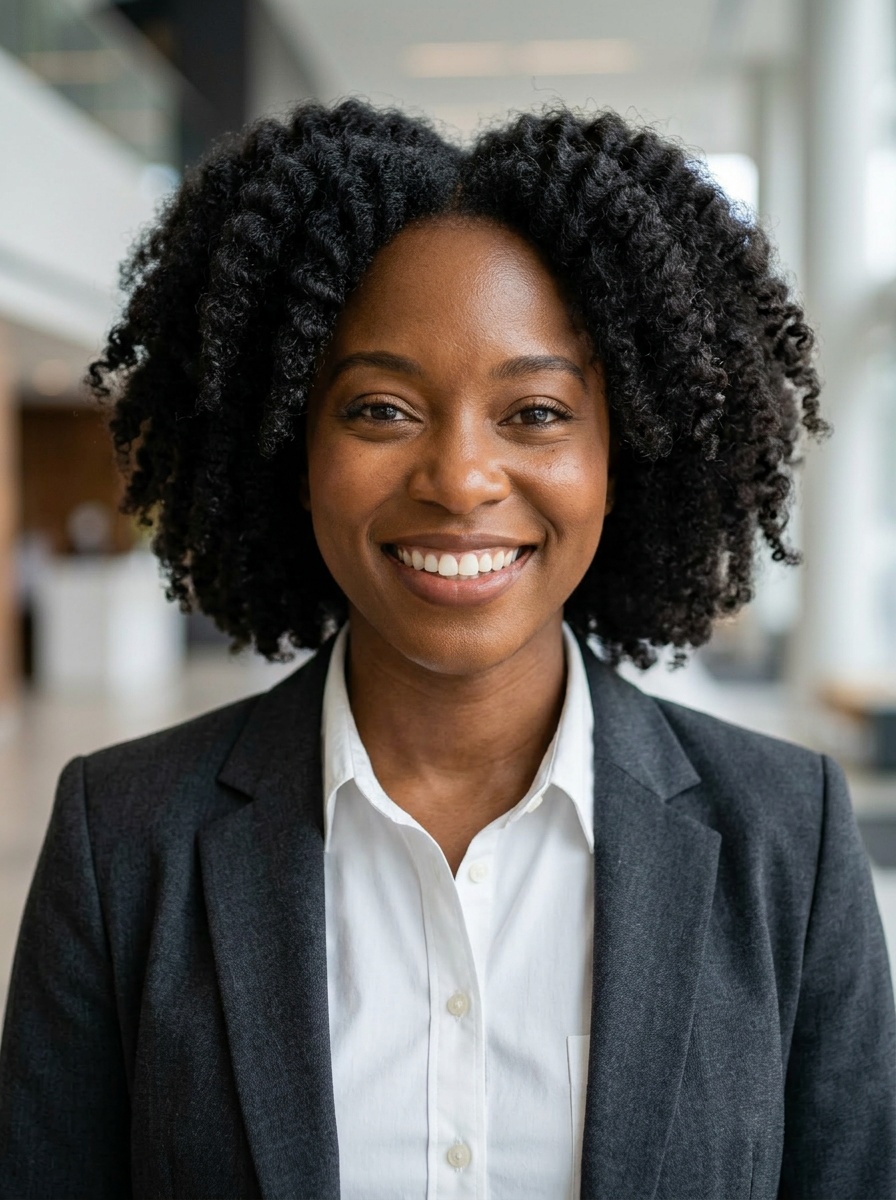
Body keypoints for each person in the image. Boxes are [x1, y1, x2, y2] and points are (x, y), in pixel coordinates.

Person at [0, 98, 893, 1200]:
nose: (460, 479)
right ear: (291, 445)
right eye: (380, 409)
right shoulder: (123, 838)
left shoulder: (783, 837)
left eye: (534, 413)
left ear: (625, 453)